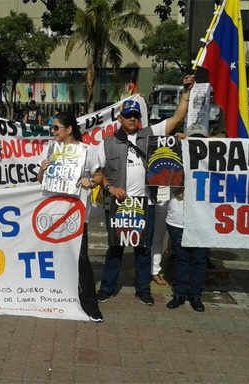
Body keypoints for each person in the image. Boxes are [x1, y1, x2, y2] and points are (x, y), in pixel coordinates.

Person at [96, 74, 195, 306]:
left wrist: (185, 94)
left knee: (143, 250)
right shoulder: (107, 142)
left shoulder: (150, 135)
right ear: (119, 118)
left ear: (139, 118)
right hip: (119, 205)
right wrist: (111, 187)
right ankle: (107, 288)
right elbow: (98, 173)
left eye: (135, 115)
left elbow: (177, 118)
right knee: (115, 249)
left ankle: (143, 290)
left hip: (145, 204)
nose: (132, 118)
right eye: (128, 115)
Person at [37, 112, 104, 322]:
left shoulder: (87, 151)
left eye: (57, 128)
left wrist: (91, 182)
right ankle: (57, 297)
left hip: (76, 213)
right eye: (52, 128)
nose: (53, 132)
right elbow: (39, 179)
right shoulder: (50, 149)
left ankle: (89, 305)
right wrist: (42, 169)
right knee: (54, 256)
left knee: (81, 258)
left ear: (69, 129)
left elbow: (99, 176)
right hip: (53, 212)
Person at [165, 181, 208, 312]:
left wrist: (191, 190)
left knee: (199, 259)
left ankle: (195, 294)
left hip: (204, 219)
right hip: (178, 218)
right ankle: (179, 293)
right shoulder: (177, 161)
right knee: (180, 258)